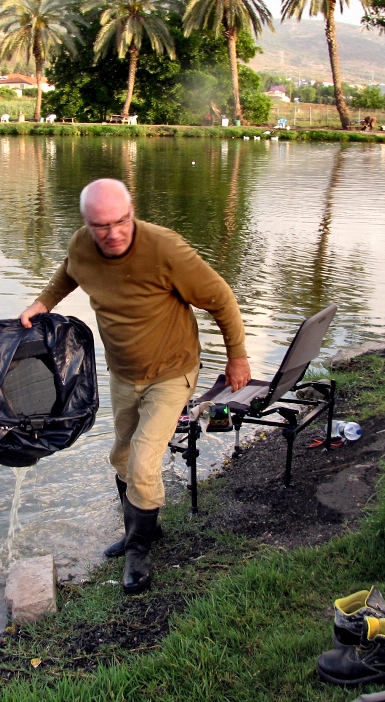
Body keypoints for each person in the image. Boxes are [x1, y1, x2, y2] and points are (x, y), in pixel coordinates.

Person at [18, 179, 250, 594]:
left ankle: (138, 553)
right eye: (100, 226)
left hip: (172, 371)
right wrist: (43, 303)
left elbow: (221, 297)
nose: (112, 233)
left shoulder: (166, 249)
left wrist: (237, 357)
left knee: (143, 462)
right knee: (122, 456)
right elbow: (69, 273)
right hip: (123, 373)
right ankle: (141, 530)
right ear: (87, 224)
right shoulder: (81, 246)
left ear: (132, 212)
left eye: (120, 221)